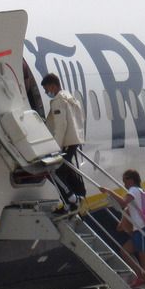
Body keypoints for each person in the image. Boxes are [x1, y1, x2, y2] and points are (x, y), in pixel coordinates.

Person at [99, 170, 145, 289]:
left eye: (125, 179)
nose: (124, 183)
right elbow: (128, 209)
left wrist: (109, 191)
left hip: (144, 231)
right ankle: (140, 276)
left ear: (131, 180)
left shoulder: (134, 190)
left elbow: (123, 203)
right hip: (139, 231)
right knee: (125, 251)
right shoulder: (138, 191)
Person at [42, 73, 87, 207]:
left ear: (53, 86)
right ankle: (77, 196)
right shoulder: (69, 97)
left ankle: (72, 199)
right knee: (66, 170)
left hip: (66, 143)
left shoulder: (58, 101)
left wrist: (55, 147)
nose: (46, 92)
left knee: (54, 171)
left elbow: (61, 126)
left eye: (46, 89)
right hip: (74, 140)